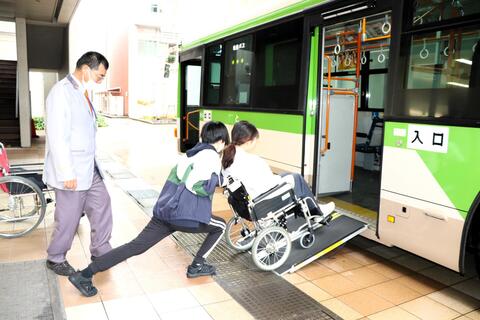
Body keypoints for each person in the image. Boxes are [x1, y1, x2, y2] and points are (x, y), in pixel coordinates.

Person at [69, 121, 229, 297]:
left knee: (135, 246)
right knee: (220, 226)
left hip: (166, 212)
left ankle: (84, 275)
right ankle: (197, 265)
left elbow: (180, 179)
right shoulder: (211, 156)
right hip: (184, 215)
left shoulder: (190, 154)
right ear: (221, 140)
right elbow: (196, 185)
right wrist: (220, 181)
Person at [43, 51, 112, 276]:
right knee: (69, 217)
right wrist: (66, 172)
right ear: (85, 70)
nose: (101, 80)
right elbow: (56, 136)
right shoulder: (61, 93)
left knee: (102, 204)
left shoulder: (82, 93)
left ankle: (101, 250)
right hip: (70, 170)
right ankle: (55, 257)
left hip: (89, 168)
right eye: (99, 75)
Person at [222, 120, 334, 216]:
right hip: (261, 202)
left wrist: (281, 178)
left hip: (244, 202)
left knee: (287, 176)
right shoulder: (252, 161)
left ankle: (310, 208)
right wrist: (281, 180)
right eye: (256, 140)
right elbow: (268, 184)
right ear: (249, 141)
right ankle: (317, 211)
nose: (257, 143)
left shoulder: (228, 157)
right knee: (296, 178)